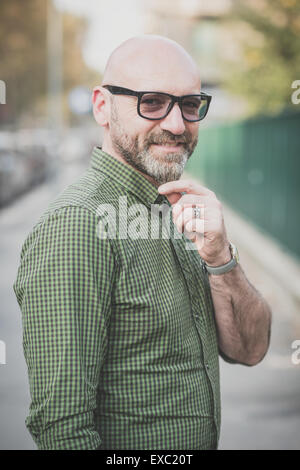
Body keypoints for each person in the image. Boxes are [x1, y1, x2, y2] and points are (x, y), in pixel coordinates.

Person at [13, 35, 272, 450]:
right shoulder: (77, 226)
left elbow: (251, 349)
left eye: (189, 105)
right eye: (150, 101)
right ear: (102, 106)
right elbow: (63, 430)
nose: (175, 123)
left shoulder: (175, 207)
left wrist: (222, 259)